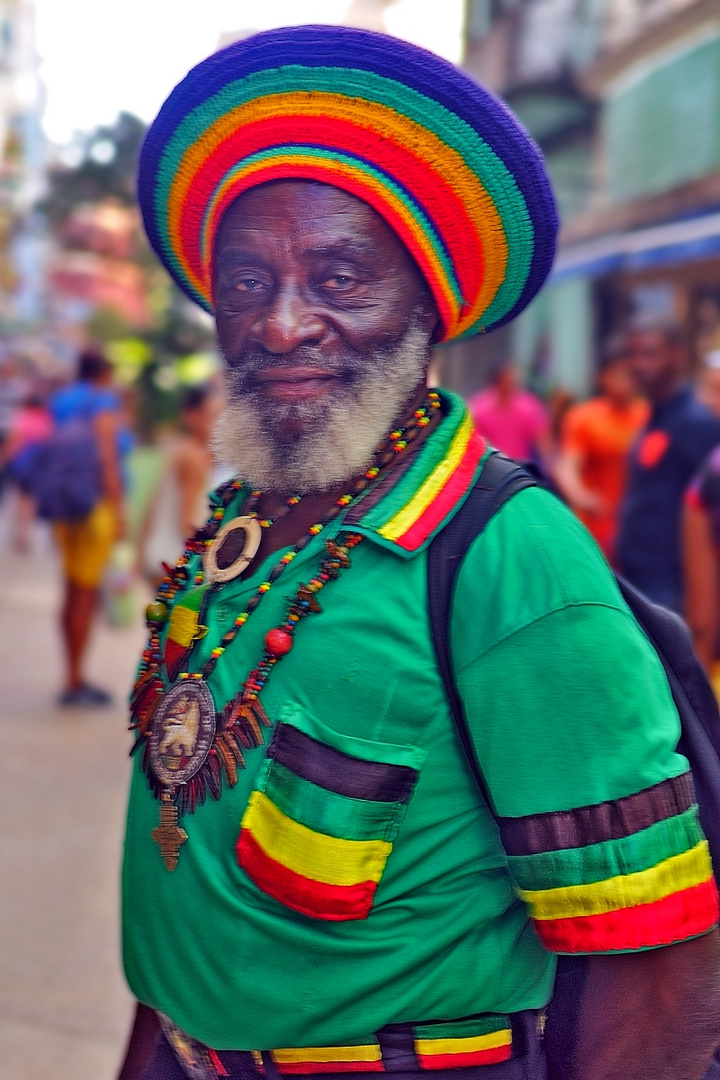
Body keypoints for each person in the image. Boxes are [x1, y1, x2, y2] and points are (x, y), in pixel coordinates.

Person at [119, 26, 720, 1080]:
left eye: (340, 276)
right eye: (249, 282)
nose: (283, 323)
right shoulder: (242, 519)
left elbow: (663, 969)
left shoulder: (510, 560)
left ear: (428, 300)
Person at [615, 314, 720, 613]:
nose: (637, 364)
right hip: (641, 581)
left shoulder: (695, 422)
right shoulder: (654, 418)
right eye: (631, 354)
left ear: (677, 356)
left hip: (675, 591)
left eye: (649, 353)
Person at [50, 348, 125, 706]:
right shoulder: (102, 401)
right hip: (93, 506)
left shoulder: (62, 401)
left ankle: (71, 672)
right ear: (103, 373)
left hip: (64, 503)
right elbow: (107, 457)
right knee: (86, 592)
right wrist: (119, 509)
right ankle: (75, 679)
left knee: (71, 588)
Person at [553, 336, 648, 564]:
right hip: (595, 531)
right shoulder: (584, 417)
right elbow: (567, 465)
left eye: (632, 375)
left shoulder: (648, 415)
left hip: (639, 531)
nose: (628, 381)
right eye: (620, 374)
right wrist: (581, 496)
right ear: (603, 377)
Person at [140, 383, 224, 586]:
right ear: (190, 416)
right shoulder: (193, 457)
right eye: (211, 416)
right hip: (176, 560)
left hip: (161, 555)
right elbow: (188, 520)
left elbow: (152, 507)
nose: (219, 424)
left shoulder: (184, 449)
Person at [467, 361, 552, 466]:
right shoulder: (479, 408)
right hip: (490, 468)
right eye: (507, 379)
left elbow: (543, 441)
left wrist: (548, 467)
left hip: (521, 468)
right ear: (496, 382)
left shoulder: (528, 406)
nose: (512, 382)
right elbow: (473, 444)